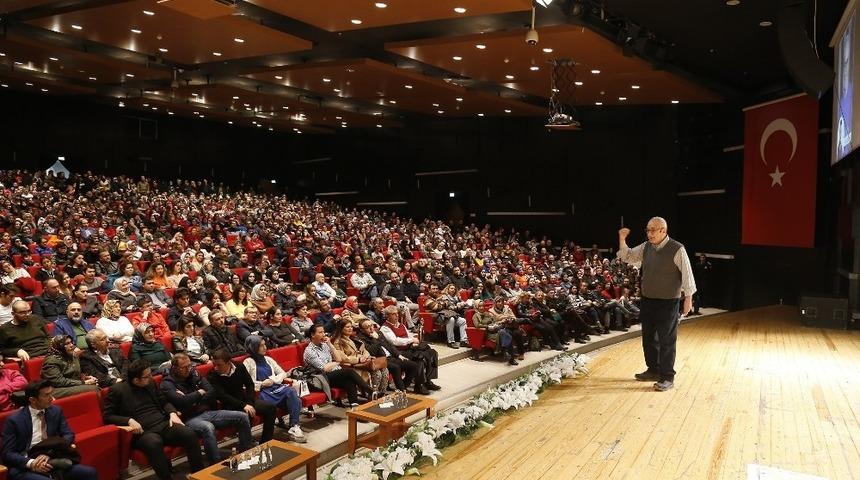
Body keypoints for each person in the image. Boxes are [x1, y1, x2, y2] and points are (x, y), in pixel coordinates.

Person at [617, 217, 696, 392]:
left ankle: (667, 377)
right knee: (649, 338)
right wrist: (622, 239)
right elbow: (627, 256)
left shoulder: (677, 248)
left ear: (663, 230)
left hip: (668, 302)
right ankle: (653, 369)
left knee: (667, 341)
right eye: (648, 230)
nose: (649, 233)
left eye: (653, 230)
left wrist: (688, 299)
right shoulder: (646, 247)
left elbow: (687, 275)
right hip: (648, 300)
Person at [103, 359, 205, 480]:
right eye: (147, 376)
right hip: (143, 432)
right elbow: (107, 416)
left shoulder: (150, 383)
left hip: (163, 424)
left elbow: (164, 401)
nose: (151, 377)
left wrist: (172, 413)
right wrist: (128, 420)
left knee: (189, 434)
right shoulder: (117, 390)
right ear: (136, 380)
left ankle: (198, 474)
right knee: (154, 443)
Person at [159, 353, 255, 464]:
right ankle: (215, 464)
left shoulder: (194, 373)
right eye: (184, 367)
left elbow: (212, 392)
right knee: (208, 427)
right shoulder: (167, 383)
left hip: (208, 412)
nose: (188, 369)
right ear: (175, 368)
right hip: (189, 418)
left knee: (242, 416)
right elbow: (181, 402)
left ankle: (245, 453)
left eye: (190, 365)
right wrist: (199, 392)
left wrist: (191, 399)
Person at [1, 379, 99, 480]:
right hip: (25, 466)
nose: (52, 398)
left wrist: (48, 453)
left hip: (52, 458)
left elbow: (68, 434)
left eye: (51, 394)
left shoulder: (56, 411)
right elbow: (8, 453)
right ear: (32, 400)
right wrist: (32, 463)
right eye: (46, 395)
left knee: (89, 473)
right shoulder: (14, 420)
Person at [241, 336, 306, 443]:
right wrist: (262, 384)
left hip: (275, 387)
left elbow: (282, 373)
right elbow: (246, 383)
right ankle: (294, 426)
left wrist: (272, 380)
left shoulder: (268, 359)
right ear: (253, 347)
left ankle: (294, 426)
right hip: (261, 392)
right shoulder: (248, 362)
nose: (264, 347)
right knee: (296, 400)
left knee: (291, 392)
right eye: (261, 345)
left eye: (264, 344)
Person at [207, 348, 278, 443]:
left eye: (219, 365)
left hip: (244, 400)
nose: (216, 367)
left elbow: (249, 384)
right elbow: (222, 396)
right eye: (214, 364)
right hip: (229, 405)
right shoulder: (212, 375)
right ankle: (246, 445)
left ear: (228, 362)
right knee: (246, 414)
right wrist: (244, 405)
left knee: (270, 408)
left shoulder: (239, 366)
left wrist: (249, 402)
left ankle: (266, 441)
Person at [303, 324, 372, 407]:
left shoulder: (325, 345)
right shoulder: (309, 351)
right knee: (349, 371)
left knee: (349, 382)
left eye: (324, 332)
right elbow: (324, 368)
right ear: (312, 335)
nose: (324, 334)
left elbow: (339, 358)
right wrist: (336, 363)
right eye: (320, 332)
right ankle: (370, 391)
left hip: (334, 374)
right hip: (321, 378)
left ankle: (355, 409)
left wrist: (330, 344)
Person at [356, 318, 426, 394]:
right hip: (380, 360)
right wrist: (375, 339)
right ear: (362, 330)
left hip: (391, 356)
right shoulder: (361, 339)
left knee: (414, 366)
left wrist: (398, 355)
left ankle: (403, 387)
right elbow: (371, 352)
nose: (371, 328)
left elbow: (389, 345)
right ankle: (402, 390)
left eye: (371, 325)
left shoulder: (379, 333)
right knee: (396, 367)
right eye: (367, 327)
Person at [379, 306, 440, 391]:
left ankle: (428, 381)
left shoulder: (402, 325)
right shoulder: (385, 328)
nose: (397, 316)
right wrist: (410, 340)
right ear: (387, 316)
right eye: (393, 314)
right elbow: (395, 341)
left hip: (409, 348)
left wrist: (412, 342)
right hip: (399, 352)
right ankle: (419, 385)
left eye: (397, 313)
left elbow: (409, 336)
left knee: (432, 353)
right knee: (420, 358)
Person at [330, 319, 389, 396]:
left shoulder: (354, 338)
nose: (350, 328)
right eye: (347, 327)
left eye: (351, 326)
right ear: (341, 328)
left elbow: (365, 351)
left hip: (363, 362)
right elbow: (343, 358)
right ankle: (372, 395)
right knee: (377, 373)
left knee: (384, 370)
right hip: (352, 365)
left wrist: (365, 357)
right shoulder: (337, 341)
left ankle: (381, 393)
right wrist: (358, 359)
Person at [472, 298, 525, 365]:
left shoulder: (487, 313)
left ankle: (510, 354)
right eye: (480, 306)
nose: (482, 308)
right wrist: (488, 326)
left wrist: (496, 324)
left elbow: (494, 320)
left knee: (507, 333)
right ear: (476, 307)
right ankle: (510, 355)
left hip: (496, 329)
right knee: (504, 333)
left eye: (483, 306)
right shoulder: (475, 315)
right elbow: (477, 325)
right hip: (488, 333)